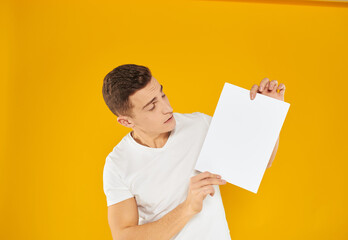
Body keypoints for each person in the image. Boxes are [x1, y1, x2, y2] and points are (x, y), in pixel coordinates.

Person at [102, 64, 286, 240]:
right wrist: (188, 208)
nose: (168, 108)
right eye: (152, 106)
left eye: (163, 95)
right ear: (126, 122)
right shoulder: (118, 164)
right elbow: (125, 236)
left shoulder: (199, 125)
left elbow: (261, 163)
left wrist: (270, 113)